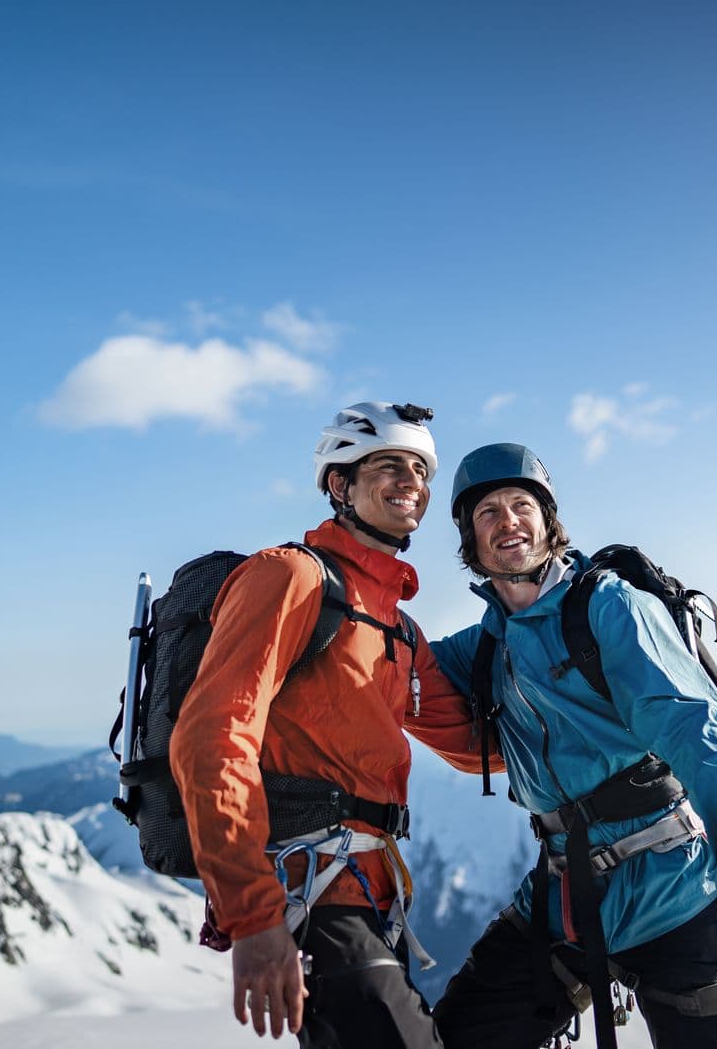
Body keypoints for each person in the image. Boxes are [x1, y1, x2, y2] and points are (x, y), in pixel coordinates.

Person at [427, 443, 717, 1049]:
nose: (508, 521)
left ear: (548, 521)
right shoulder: (482, 648)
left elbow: (690, 726)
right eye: (488, 512)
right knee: (455, 1035)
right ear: (470, 538)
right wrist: (263, 596)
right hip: (569, 895)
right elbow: (377, 665)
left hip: (678, 893)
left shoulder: (608, 608)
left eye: (521, 505)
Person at [169, 402, 493, 1047]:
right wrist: (253, 914)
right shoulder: (288, 578)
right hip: (306, 887)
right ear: (339, 484)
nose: (412, 483)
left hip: (372, 895)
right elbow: (212, 738)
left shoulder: (397, 625)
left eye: (421, 470)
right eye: (388, 466)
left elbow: (475, 747)